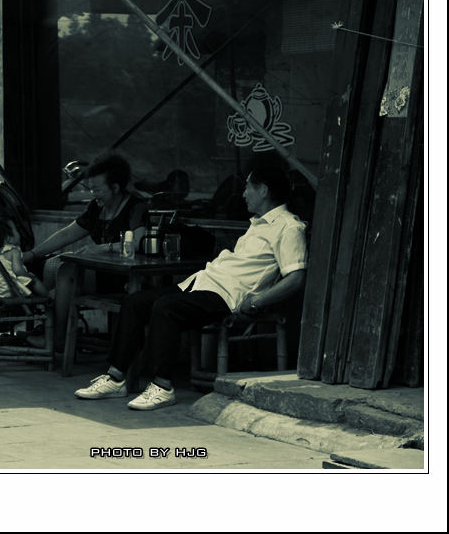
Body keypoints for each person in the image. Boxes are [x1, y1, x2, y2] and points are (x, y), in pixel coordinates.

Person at [74, 164, 308, 411]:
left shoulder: (289, 227)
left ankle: (162, 386)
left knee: (166, 308)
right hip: (203, 282)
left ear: (263, 190)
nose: (243, 193)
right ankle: (115, 378)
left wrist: (257, 301)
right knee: (135, 302)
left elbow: (295, 278)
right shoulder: (259, 224)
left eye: (248, 187)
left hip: (228, 296)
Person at [23, 154, 148, 348]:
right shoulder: (96, 208)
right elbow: (67, 234)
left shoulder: (136, 207)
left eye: (97, 189)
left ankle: (57, 338)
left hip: (124, 277)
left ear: (115, 188)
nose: (93, 194)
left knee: (65, 271)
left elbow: (139, 242)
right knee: (51, 266)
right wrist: (32, 254)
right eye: (91, 189)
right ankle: (50, 329)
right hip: (99, 272)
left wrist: (101, 248)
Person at [0, 219, 48, 298]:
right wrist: (28, 275)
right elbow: (17, 270)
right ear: (8, 238)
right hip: (11, 288)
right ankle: (46, 297)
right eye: (16, 231)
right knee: (33, 279)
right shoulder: (13, 251)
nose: (19, 233)